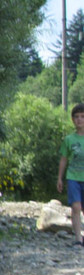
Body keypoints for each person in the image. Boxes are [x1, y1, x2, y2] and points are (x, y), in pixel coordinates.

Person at [58, 102, 84, 247]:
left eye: (82, 116)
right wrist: (60, 178)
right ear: (73, 120)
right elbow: (63, 159)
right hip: (73, 177)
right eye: (76, 117)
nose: (79, 119)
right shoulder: (69, 140)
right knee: (76, 207)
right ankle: (78, 239)